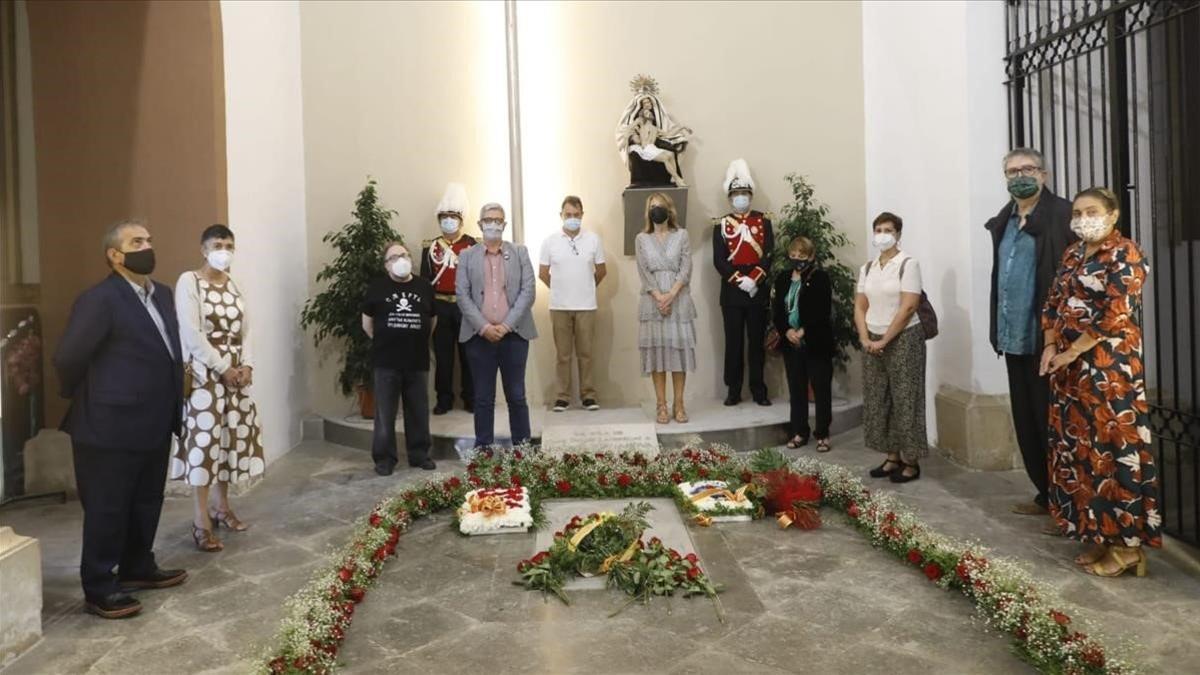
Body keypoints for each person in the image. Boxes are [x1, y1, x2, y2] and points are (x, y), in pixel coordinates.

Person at [53, 218, 187, 619]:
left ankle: (137, 566)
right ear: (115, 256)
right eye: (136, 241)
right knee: (108, 507)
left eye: (148, 239)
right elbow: (68, 358)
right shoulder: (100, 299)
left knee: (146, 500)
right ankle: (99, 585)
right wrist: (90, 397)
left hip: (154, 419)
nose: (147, 246)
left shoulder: (161, 295)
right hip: (108, 425)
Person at [1041, 187, 1161, 577]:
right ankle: (1098, 534)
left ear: (1112, 215)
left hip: (1109, 369)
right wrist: (1049, 346)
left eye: (1091, 211)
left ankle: (1127, 547)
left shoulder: (1125, 253)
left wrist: (1073, 350)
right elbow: (1053, 302)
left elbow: (1115, 314)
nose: (1081, 218)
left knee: (1111, 449)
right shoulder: (1073, 253)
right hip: (1067, 368)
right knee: (1081, 453)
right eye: (1077, 212)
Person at [984, 148, 1076, 520]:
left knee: (1053, 422)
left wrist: (1059, 337)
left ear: (1044, 174)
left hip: (1049, 341)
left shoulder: (1062, 215)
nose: (1020, 176)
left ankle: (1067, 504)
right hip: (1014, 337)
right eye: (1012, 171)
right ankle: (1046, 494)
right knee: (1026, 421)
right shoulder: (1004, 219)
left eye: (1028, 169)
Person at [172, 224, 264, 552]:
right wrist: (223, 368)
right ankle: (201, 519)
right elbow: (191, 332)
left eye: (228, 244)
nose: (223, 249)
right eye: (217, 244)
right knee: (204, 444)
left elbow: (247, 329)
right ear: (203, 248)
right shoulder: (189, 281)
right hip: (205, 376)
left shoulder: (235, 284)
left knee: (229, 441)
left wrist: (247, 365)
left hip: (236, 374)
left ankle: (222, 507)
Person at [457, 203, 537, 447]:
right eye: (488, 219)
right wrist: (484, 327)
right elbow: (462, 294)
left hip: (514, 335)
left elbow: (528, 290)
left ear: (504, 225)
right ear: (480, 224)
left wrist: (506, 325)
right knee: (482, 398)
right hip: (479, 337)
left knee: (516, 395)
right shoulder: (467, 256)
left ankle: (522, 450)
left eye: (498, 220)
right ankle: (483, 450)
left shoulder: (519, 252)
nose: (493, 223)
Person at [855, 212, 927, 483]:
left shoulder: (908, 263)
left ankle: (911, 461)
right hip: (871, 335)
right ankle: (891, 456)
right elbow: (860, 304)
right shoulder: (868, 267)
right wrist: (864, 337)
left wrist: (885, 339)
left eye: (888, 229)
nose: (882, 234)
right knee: (879, 398)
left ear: (897, 234)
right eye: (878, 230)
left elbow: (909, 305)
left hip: (904, 337)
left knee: (906, 398)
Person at [361, 241, 436, 474]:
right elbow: (367, 324)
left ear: (410, 259)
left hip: (417, 360)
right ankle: (384, 459)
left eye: (403, 255)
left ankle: (420, 454)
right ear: (386, 265)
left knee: (418, 411)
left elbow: (432, 320)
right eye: (393, 258)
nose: (400, 260)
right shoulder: (377, 288)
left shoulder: (424, 287)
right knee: (385, 414)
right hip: (386, 362)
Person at [712, 159, 773, 407]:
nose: (740, 197)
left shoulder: (764, 222)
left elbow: (769, 252)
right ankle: (733, 389)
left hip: (757, 291)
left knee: (756, 344)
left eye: (744, 193)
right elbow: (718, 260)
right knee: (734, 344)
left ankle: (759, 389)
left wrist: (755, 278)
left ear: (751, 195)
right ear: (730, 197)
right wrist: (739, 280)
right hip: (732, 293)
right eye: (736, 193)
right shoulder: (721, 225)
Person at [539, 195, 607, 412]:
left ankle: (588, 395)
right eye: (568, 215)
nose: (572, 218)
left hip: (586, 305)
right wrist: (560, 288)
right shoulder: (549, 241)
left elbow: (602, 271)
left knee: (586, 354)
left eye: (576, 215)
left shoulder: (593, 239)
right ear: (561, 215)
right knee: (562, 355)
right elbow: (542, 273)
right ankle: (562, 396)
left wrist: (586, 287)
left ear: (582, 215)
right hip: (559, 306)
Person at [635, 192, 696, 424]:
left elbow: (686, 267)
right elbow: (643, 270)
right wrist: (658, 296)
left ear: (669, 209)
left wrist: (670, 295)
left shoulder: (682, 235)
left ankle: (679, 403)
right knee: (657, 353)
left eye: (660, 205)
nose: (656, 209)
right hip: (652, 301)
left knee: (677, 353)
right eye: (652, 206)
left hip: (678, 299)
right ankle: (661, 404)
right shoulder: (641, 238)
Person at [772, 236, 834, 452]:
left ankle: (823, 434)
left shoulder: (820, 278)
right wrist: (787, 331)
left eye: (802, 256)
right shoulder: (782, 278)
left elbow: (822, 310)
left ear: (811, 256)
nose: (797, 259)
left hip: (816, 342)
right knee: (796, 389)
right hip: (791, 343)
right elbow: (777, 311)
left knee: (820, 388)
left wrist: (803, 330)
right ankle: (799, 431)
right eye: (794, 255)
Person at [421, 183, 476, 415]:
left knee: (468, 355)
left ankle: (470, 398)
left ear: (461, 219)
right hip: (440, 306)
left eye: (452, 216)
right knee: (443, 358)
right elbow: (426, 281)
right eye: (444, 217)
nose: (448, 221)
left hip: (464, 306)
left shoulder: (472, 245)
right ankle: (443, 399)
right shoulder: (431, 247)